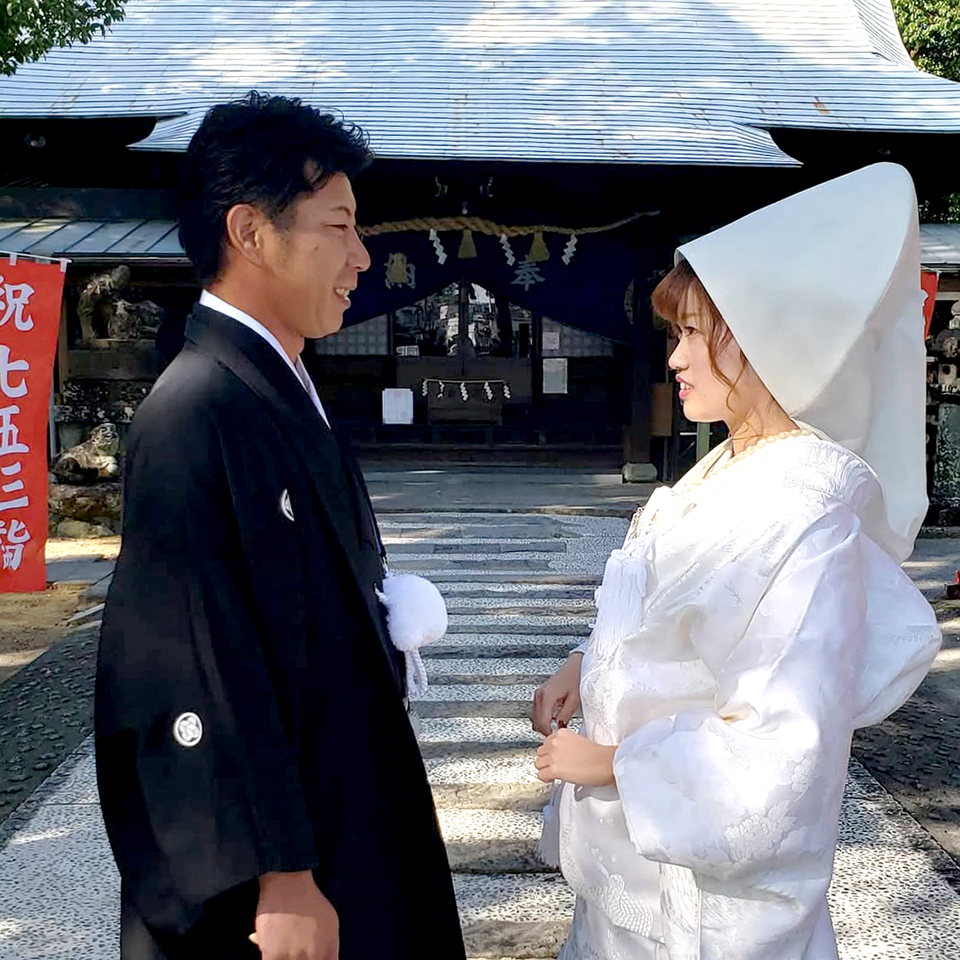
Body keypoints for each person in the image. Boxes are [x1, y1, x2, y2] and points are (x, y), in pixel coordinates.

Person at [531, 163, 942, 960]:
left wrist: (613, 764)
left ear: (767, 340)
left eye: (694, 334)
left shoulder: (806, 517)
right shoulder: (726, 470)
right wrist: (587, 663)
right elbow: (668, 621)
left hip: (710, 911)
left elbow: (785, 747)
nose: (676, 359)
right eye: (677, 335)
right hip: (635, 872)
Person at [95, 91, 466, 960]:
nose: (361, 257)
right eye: (338, 227)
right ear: (251, 233)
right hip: (281, 868)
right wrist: (279, 872)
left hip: (339, 799)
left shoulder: (278, 387)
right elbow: (191, 658)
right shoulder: (194, 412)